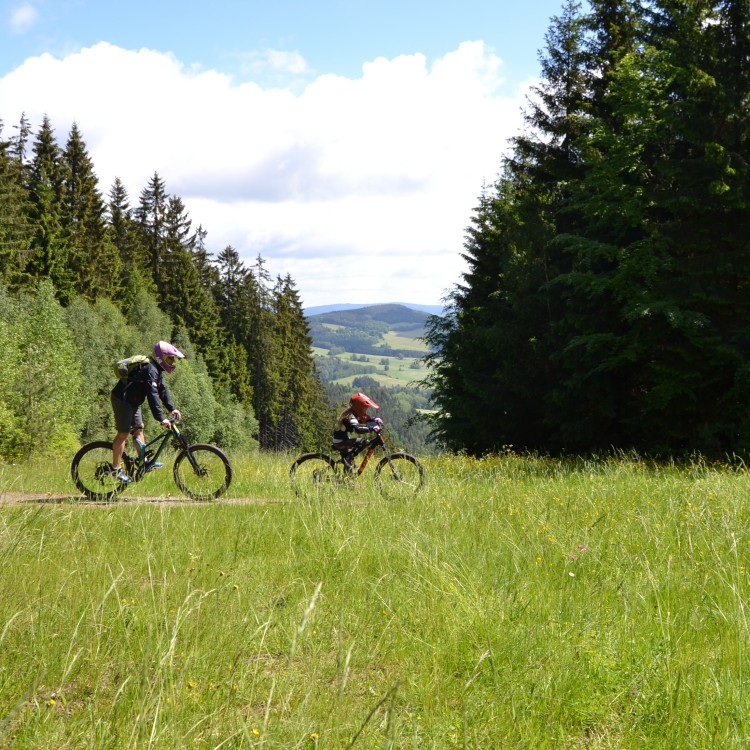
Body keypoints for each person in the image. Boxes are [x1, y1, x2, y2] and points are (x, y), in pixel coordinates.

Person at [109, 340, 185, 483]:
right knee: (124, 433)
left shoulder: (156, 369)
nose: (172, 362)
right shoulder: (150, 369)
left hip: (133, 401)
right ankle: (115, 469)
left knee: (139, 429)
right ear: (160, 357)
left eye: (173, 359)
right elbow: (153, 394)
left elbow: (162, 390)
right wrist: (161, 418)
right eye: (170, 358)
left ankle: (143, 461)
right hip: (122, 400)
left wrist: (172, 408)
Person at [332, 392, 383, 470]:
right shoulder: (350, 416)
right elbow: (358, 430)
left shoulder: (352, 412)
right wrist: (372, 428)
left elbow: (362, 419)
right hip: (340, 441)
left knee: (349, 465)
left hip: (341, 440)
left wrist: (373, 419)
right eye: (364, 408)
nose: (365, 410)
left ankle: (349, 461)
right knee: (364, 442)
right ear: (358, 407)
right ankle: (349, 458)